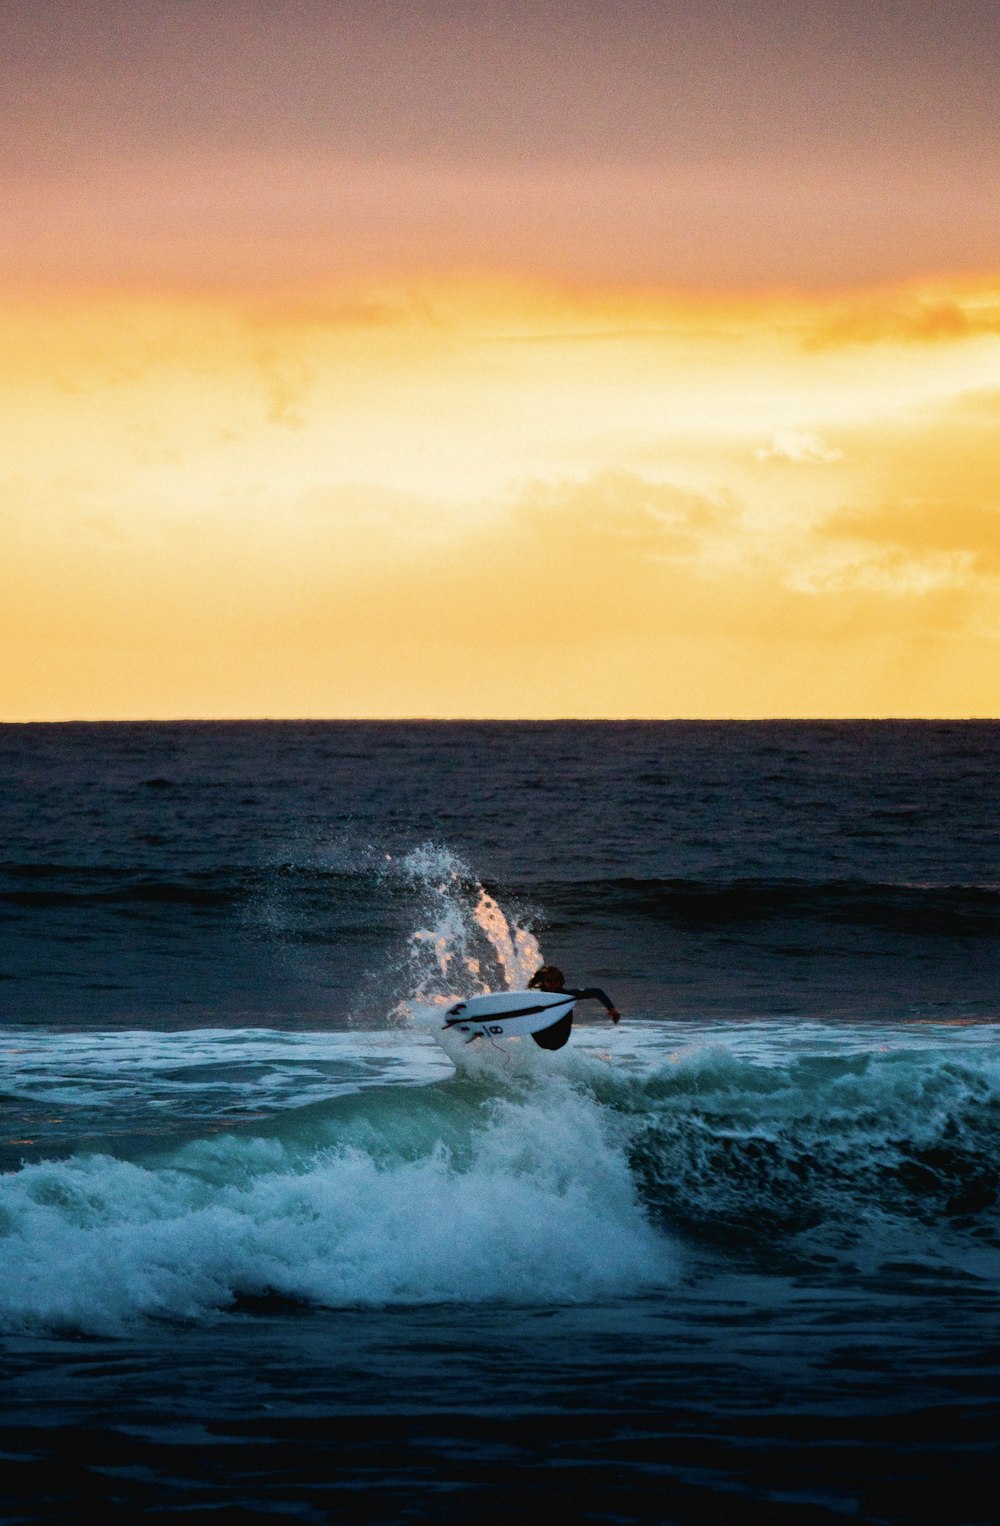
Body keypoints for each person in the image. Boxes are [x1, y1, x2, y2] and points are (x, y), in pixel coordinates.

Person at [526, 965, 620, 1049]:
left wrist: (612, 1009)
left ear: (560, 982)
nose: (553, 983)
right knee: (531, 1011)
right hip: (542, 1040)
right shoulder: (537, 998)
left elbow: (597, 992)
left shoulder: (567, 996)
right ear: (543, 982)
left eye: (556, 980)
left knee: (557, 1004)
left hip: (559, 1038)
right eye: (549, 980)